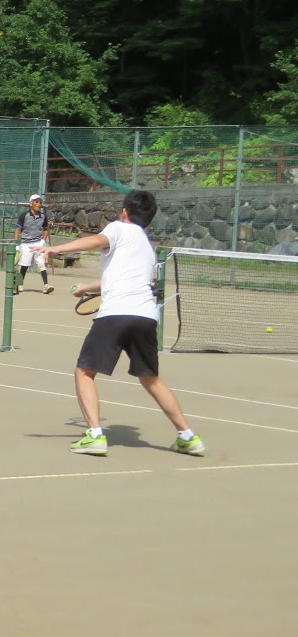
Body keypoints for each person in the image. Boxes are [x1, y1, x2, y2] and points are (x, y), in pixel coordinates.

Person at [47, 189, 203, 458]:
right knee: (151, 379)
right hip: (145, 316)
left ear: (124, 212)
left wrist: (56, 248)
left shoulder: (119, 227)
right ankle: (188, 437)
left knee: (84, 372)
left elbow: (97, 240)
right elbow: (131, 280)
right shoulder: (147, 246)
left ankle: (95, 436)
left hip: (116, 314)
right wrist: (86, 286)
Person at [14, 193, 53, 294]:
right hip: (26, 244)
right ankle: (20, 284)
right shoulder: (24, 216)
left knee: (41, 264)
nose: (38, 204)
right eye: (36, 202)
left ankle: (46, 285)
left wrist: (43, 241)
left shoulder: (43, 216)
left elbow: (45, 229)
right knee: (24, 265)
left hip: (38, 243)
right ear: (31, 204)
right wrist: (16, 244)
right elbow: (18, 229)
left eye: (40, 202)